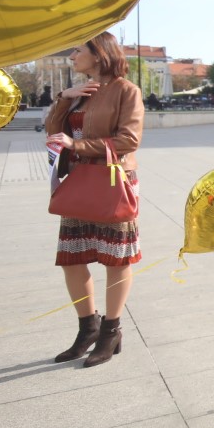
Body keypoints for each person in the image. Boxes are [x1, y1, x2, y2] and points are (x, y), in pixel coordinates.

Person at [44, 33, 144, 367]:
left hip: (113, 182)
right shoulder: (79, 92)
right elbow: (52, 130)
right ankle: (88, 328)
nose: (72, 56)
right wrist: (63, 98)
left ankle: (111, 330)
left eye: (78, 50)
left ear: (98, 54)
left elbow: (129, 139)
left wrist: (79, 147)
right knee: (72, 257)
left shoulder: (126, 91)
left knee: (116, 259)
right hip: (79, 182)